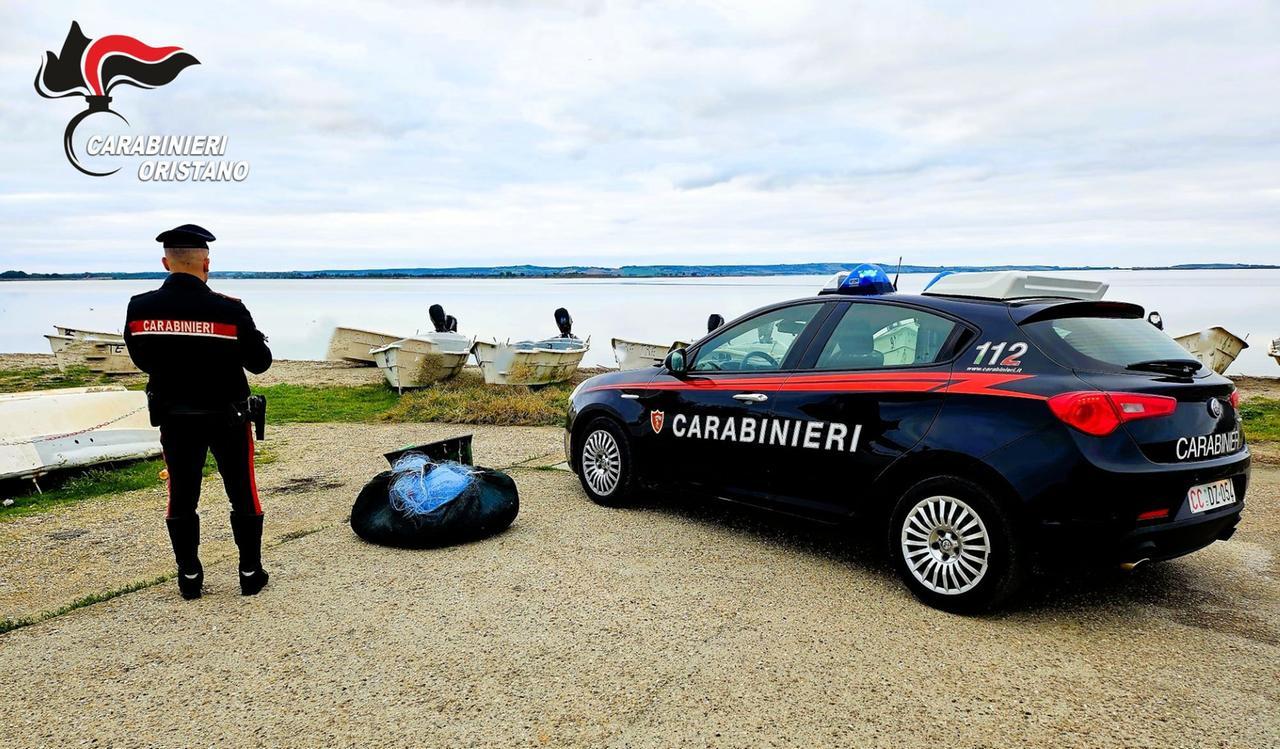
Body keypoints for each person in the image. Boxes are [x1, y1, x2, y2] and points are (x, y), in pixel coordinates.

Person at [123, 224, 273, 599]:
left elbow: (141, 360)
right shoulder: (229, 309)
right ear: (206, 263)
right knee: (243, 492)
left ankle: (189, 576)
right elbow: (260, 363)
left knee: (181, 494)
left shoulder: (140, 308)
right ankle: (250, 572)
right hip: (228, 416)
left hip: (175, 417)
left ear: (165, 262)